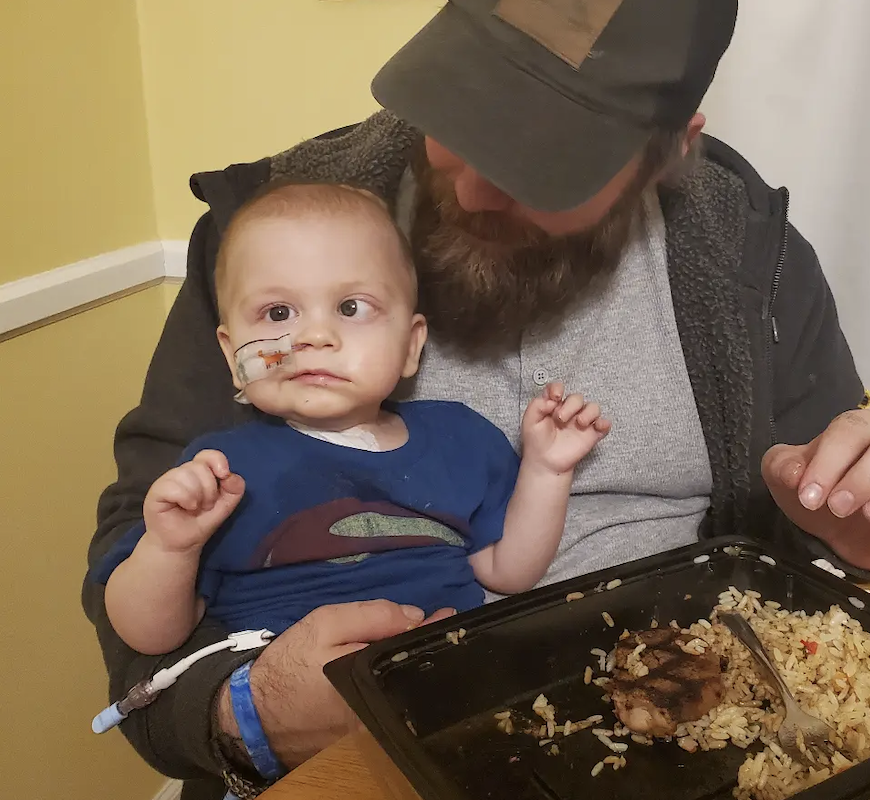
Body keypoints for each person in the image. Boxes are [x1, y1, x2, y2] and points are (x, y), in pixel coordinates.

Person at [83, 0, 870, 800]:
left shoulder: (751, 260)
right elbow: (138, 554)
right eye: (462, 123)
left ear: (671, 150)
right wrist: (241, 714)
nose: (472, 190)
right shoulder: (269, 240)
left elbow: (833, 558)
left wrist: (855, 538)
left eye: (544, 159)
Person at [95, 180, 609, 656]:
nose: (313, 337)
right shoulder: (218, 472)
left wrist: (547, 470)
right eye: (278, 314)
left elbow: (507, 573)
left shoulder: (462, 439)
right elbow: (150, 636)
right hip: (300, 710)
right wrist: (170, 548)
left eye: (351, 308)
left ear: (411, 347)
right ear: (233, 357)